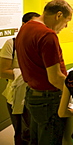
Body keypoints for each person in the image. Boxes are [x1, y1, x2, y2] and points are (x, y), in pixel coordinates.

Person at [15, 0, 73, 145]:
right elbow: (55, 78)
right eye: (67, 21)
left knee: (35, 139)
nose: (66, 26)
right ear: (59, 15)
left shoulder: (26, 28)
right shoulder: (47, 35)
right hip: (49, 100)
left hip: (33, 95)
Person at [0, 12, 40, 145]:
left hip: (36, 94)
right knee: (22, 133)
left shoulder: (38, 43)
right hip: (16, 95)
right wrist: (27, 74)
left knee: (35, 132)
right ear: (24, 25)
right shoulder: (11, 44)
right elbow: (2, 72)